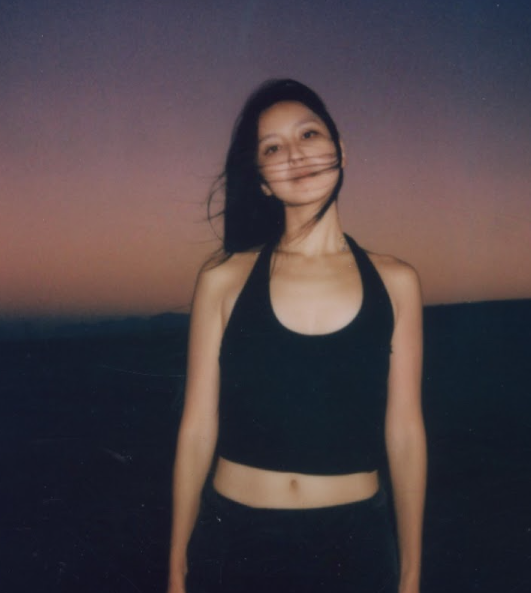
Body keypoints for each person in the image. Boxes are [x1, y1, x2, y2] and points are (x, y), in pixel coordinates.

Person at [167, 79, 427, 593]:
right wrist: (176, 568)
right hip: (235, 542)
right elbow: (196, 428)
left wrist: (411, 574)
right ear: (262, 181)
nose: (294, 154)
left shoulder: (397, 281)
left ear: (341, 151)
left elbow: (405, 432)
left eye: (308, 134)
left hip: (355, 548)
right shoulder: (222, 279)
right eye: (272, 148)